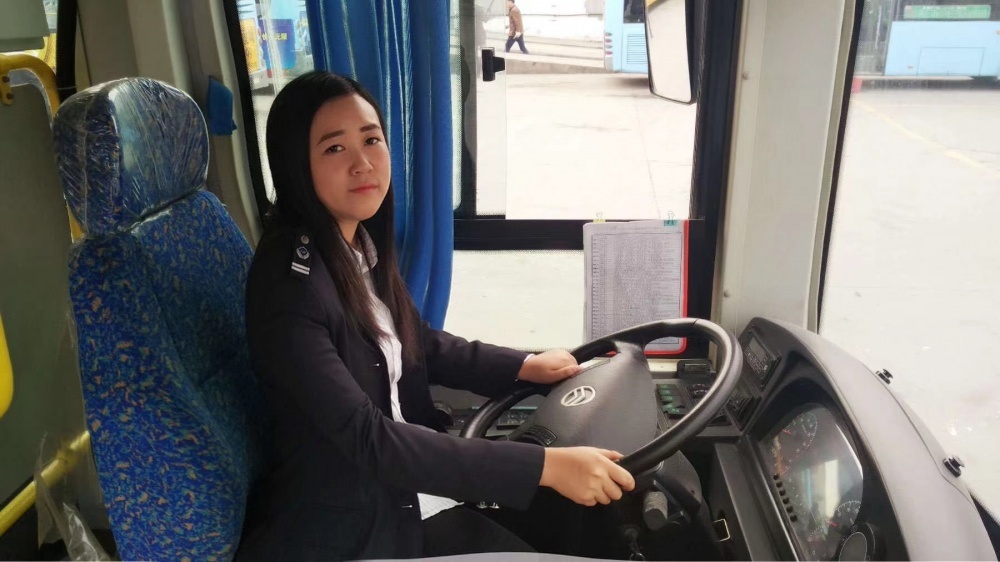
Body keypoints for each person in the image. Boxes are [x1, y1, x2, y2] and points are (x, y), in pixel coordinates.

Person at [237, 70, 635, 561]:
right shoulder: (289, 287)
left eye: (372, 140)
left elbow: (414, 341)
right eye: (335, 148)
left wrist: (523, 366)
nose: (363, 163)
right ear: (297, 165)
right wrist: (545, 467)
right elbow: (368, 438)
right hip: (360, 527)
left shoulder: (353, 244)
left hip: (413, 490)